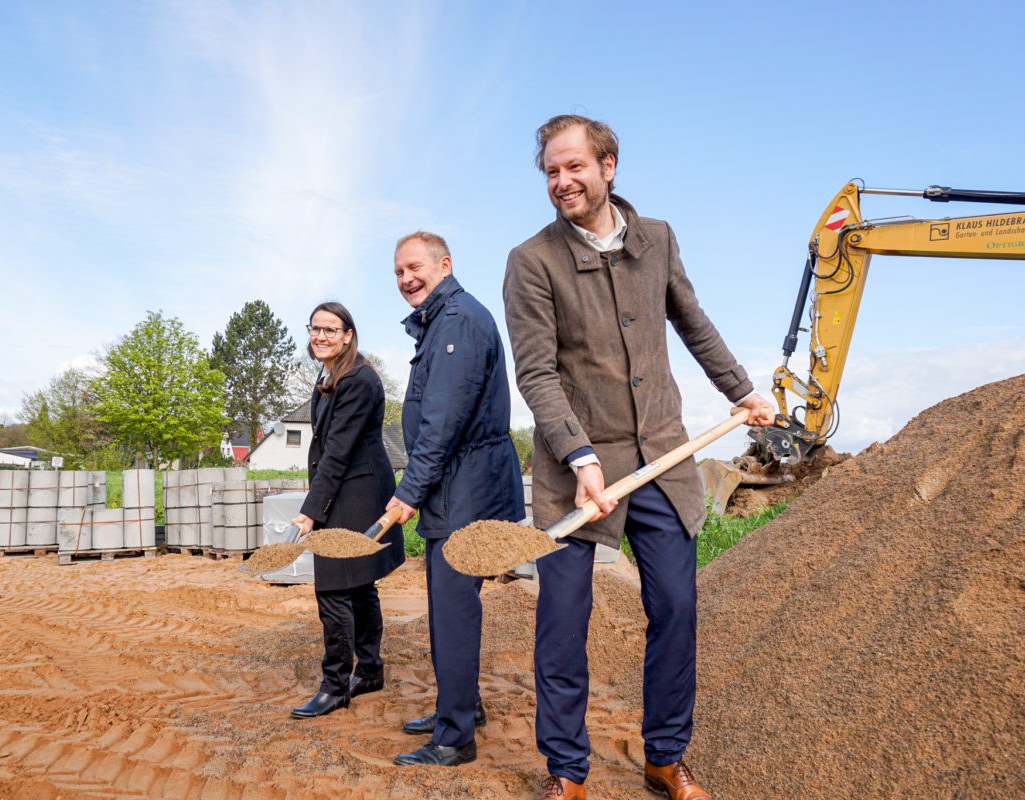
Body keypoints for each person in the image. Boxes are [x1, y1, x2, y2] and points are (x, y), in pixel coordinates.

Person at [502, 115, 776, 800]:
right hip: (576, 473)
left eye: (574, 167)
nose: (562, 181)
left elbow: (692, 320)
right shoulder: (531, 261)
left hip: (663, 454)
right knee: (562, 626)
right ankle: (566, 771)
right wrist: (579, 456)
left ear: (609, 165)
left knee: (677, 608)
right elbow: (536, 374)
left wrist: (742, 389)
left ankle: (664, 756)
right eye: (551, 172)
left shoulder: (657, 239)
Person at [385, 231, 524, 767]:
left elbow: (442, 424)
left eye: (414, 268)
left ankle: (454, 738)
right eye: (398, 273)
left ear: (445, 264)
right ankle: (461, 706)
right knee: (453, 609)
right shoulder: (443, 322)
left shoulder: (458, 322)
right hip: (460, 486)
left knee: (453, 612)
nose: (405, 280)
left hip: (466, 491)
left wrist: (408, 493)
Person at [288, 302, 405, 720]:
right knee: (358, 586)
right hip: (347, 489)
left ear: (348, 335)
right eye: (315, 329)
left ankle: (335, 685)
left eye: (331, 330)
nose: (321, 336)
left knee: (335, 589)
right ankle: (370, 670)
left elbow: (336, 452)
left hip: (357, 493)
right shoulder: (332, 373)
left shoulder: (359, 380)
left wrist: (310, 512)